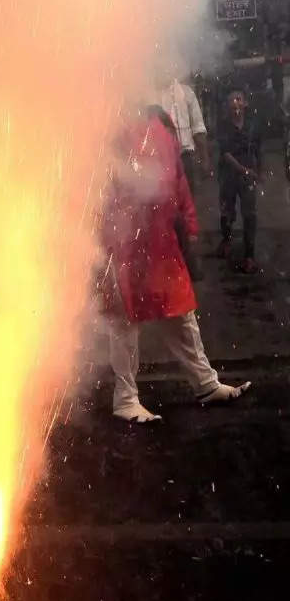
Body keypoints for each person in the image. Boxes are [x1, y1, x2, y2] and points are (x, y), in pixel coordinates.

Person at [102, 108, 250, 423]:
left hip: (159, 241)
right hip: (124, 243)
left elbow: (178, 183)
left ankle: (206, 384)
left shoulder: (158, 125)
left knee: (181, 317)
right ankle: (125, 399)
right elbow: (96, 192)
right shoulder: (106, 129)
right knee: (124, 321)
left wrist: (190, 227)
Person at [216, 90, 261, 274]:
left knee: (250, 214)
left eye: (239, 99)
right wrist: (244, 170)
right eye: (232, 101)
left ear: (245, 103)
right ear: (228, 106)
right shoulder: (223, 126)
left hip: (248, 175)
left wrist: (259, 171)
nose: (236, 104)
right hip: (229, 175)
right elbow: (226, 154)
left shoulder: (252, 125)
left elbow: (258, 150)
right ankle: (226, 240)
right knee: (227, 211)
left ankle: (249, 255)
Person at [158, 74, 209, 190]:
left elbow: (198, 126)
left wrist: (204, 157)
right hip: (162, 160)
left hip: (186, 157)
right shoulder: (152, 95)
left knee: (188, 197)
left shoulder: (187, 92)